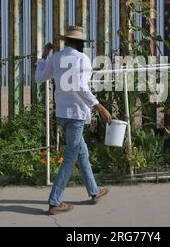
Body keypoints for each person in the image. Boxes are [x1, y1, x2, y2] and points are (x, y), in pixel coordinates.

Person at [35, 26, 113, 215]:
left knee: (81, 152)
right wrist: (100, 107)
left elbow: (39, 78)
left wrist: (44, 55)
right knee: (71, 155)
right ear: (80, 44)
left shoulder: (55, 57)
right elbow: (81, 86)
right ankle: (54, 202)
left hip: (62, 113)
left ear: (66, 41)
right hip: (77, 114)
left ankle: (94, 191)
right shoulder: (82, 59)